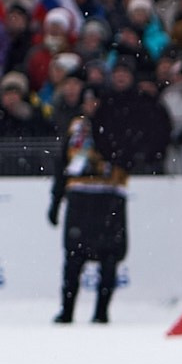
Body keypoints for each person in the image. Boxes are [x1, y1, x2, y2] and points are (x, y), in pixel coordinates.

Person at [47, 117, 126, 324]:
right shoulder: (75, 126)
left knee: (109, 258)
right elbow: (61, 163)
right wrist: (56, 201)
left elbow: (128, 153)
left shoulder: (116, 120)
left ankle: (102, 312)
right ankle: (67, 311)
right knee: (73, 259)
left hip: (109, 195)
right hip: (79, 198)